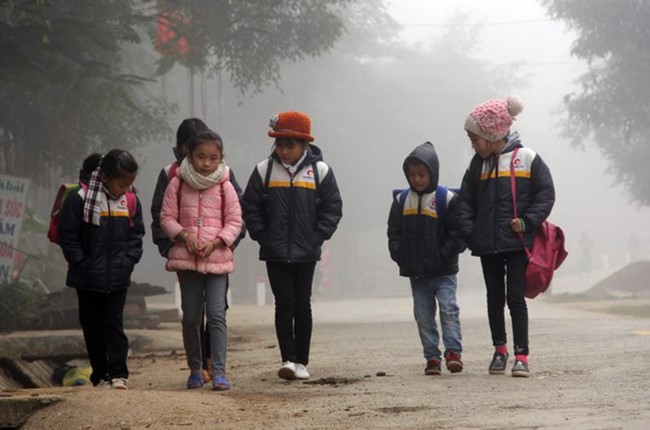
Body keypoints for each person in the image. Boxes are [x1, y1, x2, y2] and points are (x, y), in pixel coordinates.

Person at [457, 96, 555, 377]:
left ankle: (521, 356)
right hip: (487, 245)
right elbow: (464, 202)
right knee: (494, 298)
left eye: (474, 138)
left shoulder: (527, 159)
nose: (473, 145)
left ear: (491, 133)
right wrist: (471, 233)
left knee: (515, 298)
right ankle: (500, 350)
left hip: (517, 245)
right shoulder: (477, 166)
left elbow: (545, 194)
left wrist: (527, 222)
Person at [242, 111, 342, 381]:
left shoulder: (321, 172)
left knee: (303, 305)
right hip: (274, 253)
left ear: (304, 145)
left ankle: (302, 362)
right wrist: (263, 236)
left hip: (306, 253)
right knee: (283, 304)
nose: (284, 150)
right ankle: (287, 359)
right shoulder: (264, 170)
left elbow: (333, 209)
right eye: (279, 144)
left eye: (290, 145)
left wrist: (316, 237)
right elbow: (250, 207)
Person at [150, 117, 245, 382]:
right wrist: (177, 242)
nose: (206, 163)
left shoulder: (226, 181)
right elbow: (162, 215)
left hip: (217, 259)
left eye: (212, 157)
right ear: (185, 152)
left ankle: (217, 370)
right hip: (185, 258)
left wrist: (221, 243)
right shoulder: (174, 179)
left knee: (216, 314)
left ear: (219, 157)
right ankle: (196, 368)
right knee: (191, 316)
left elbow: (237, 219)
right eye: (199, 155)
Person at [58, 149, 145, 390]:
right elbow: (69, 236)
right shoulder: (79, 199)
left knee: (114, 324)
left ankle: (119, 373)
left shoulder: (129, 201)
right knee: (93, 327)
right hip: (86, 279)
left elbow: (136, 235)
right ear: (105, 177)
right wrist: (81, 263)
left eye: (130, 183)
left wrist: (128, 261)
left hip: (118, 276)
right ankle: (100, 375)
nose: (126, 188)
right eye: (122, 183)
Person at [387, 141, 466, 376]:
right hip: (417, 273)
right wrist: (400, 255)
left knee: (448, 310)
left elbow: (458, 234)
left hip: (444, 272)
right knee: (423, 315)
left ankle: (453, 353)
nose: (417, 180)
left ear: (432, 172)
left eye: (421, 174)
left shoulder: (447, 199)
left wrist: (443, 255)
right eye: (412, 175)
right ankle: (432, 357)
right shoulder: (402, 201)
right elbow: (394, 233)